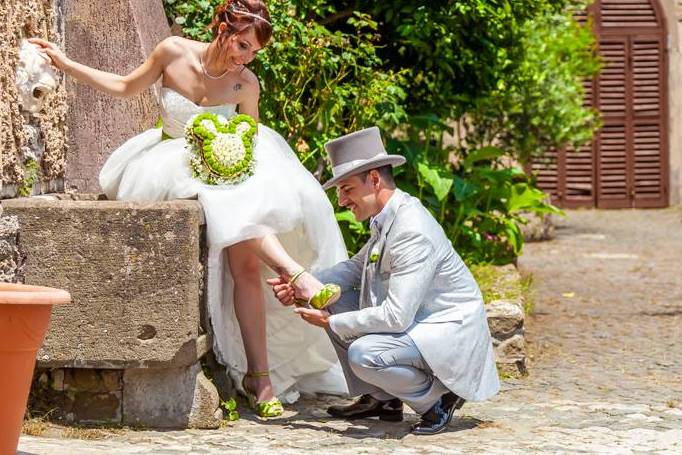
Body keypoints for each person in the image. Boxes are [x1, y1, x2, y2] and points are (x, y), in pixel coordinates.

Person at [29, 0, 349, 418]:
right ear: (222, 27)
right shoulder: (173, 51)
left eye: (253, 52)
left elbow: (248, 143)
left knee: (247, 264)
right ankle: (293, 275)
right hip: (170, 161)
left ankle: (261, 377)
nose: (245, 57)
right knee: (231, 211)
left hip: (225, 167)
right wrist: (68, 65)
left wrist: (227, 158)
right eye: (242, 45)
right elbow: (125, 86)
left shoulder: (246, 83)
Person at [269, 127, 500, 434]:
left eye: (347, 189)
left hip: (443, 331)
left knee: (364, 354)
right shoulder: (389, 215)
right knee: (333, 302)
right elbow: (355, 268)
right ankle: (384, 398)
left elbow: (396, 316)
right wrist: (302, 283)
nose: (341, 201)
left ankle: (439, 400)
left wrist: (329, 323)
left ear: (374, 180)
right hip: (418, 322)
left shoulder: (411, 230)